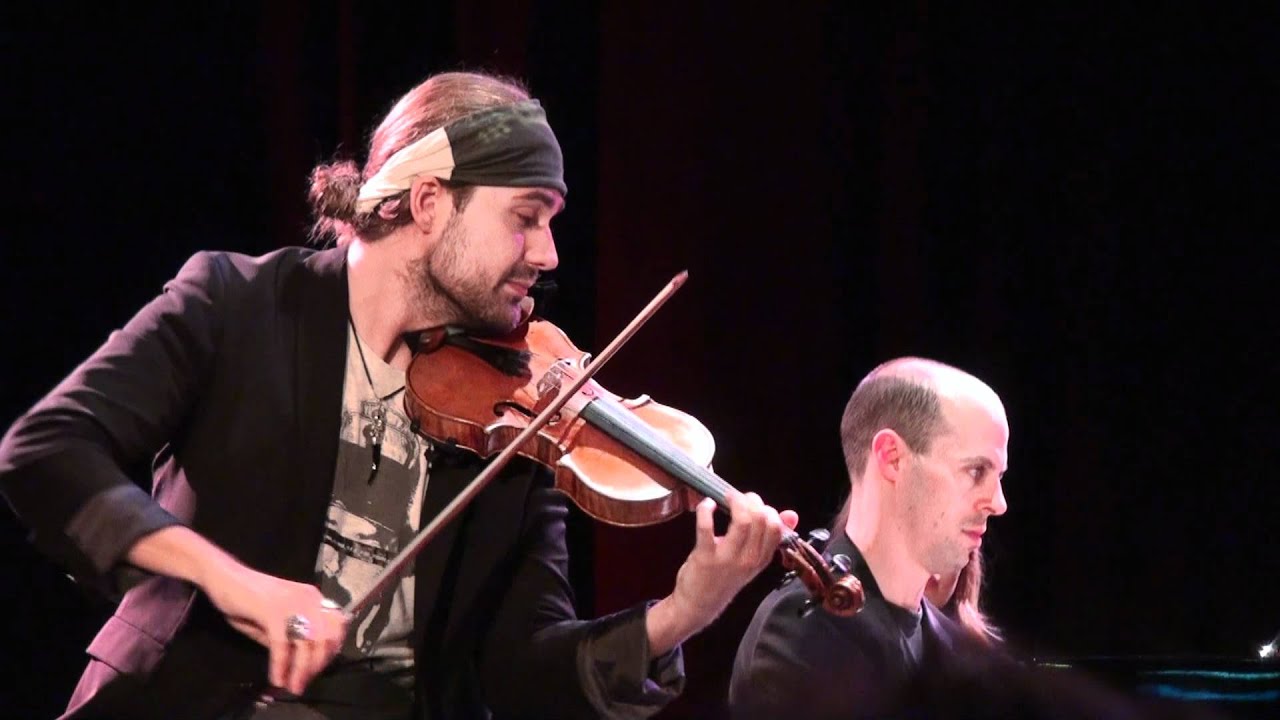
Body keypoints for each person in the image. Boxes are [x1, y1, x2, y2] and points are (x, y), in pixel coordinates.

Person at [0, 70, 796, 720]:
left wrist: (682, 611)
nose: (549, 254)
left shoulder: (520, 411)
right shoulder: (238, 305)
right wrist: (233, 582)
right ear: (428, 204)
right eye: (526, 217)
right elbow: (46, 448)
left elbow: (524, 671)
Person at [728, 356, 1010, 719]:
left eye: (999, 475)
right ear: (892, 458)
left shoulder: (949, 649)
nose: (998, 503)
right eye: (976, 470)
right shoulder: (805, 636)